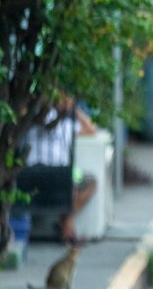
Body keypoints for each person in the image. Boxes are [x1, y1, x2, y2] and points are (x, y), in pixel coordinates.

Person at [23, 94, 99, 243]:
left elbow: (90, 129)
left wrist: (73, 110)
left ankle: (66, 225)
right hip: (48, 176)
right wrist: (72, 109)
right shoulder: (53, 119)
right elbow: (90, 128)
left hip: (43, 176)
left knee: (84, 184)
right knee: (75, 187)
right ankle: (66, 229)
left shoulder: (63, 122)